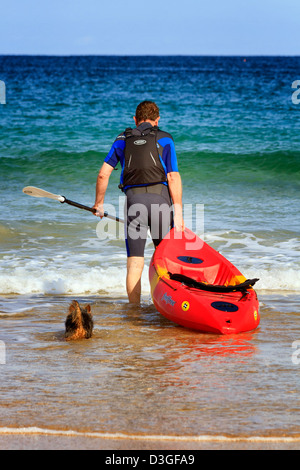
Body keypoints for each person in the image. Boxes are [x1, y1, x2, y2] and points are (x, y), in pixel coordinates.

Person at [93, 101, 184, 303]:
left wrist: (99, 204)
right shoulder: (165, 139)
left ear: (135, 119)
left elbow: (102, 175)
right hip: (161, 201)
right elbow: (173, 176)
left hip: (134, 203)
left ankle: (134, 314)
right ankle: (169, 305)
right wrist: (178, 213)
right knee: (165, 260)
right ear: (157, 120)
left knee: (135, 262)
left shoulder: (122, 140)